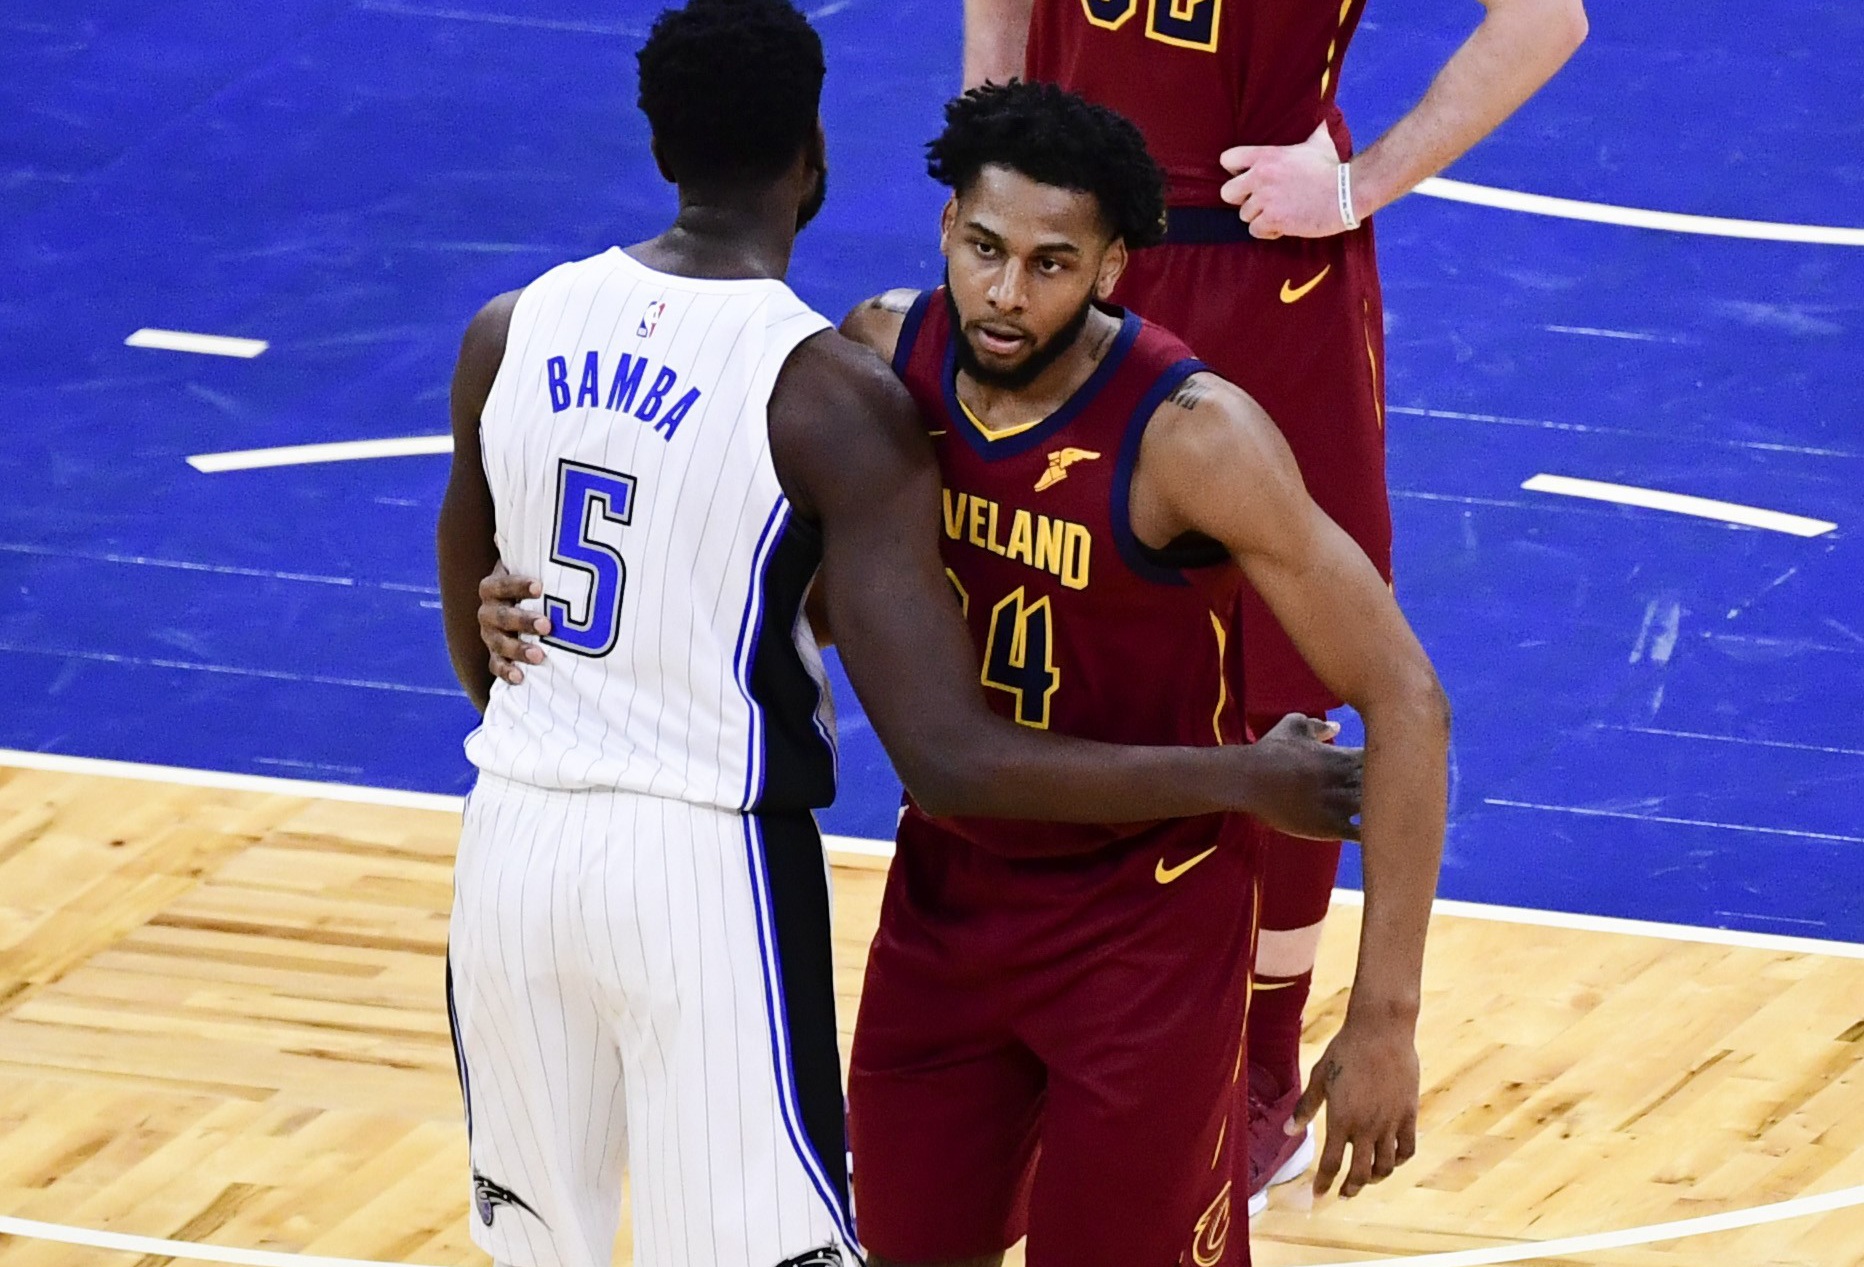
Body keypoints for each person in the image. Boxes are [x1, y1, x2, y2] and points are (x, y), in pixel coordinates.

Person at [436, 5, 1360, 1267]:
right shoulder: (828, 390)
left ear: (656, 143)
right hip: (700, 867)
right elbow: (948, 754)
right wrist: (1246, 778)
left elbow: (479, 652)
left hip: (512, 843)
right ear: (814, 155)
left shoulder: (508, 327)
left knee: (538, 1252)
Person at [963, 0, 1586, 1210]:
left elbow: (1542, 20)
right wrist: (991, 147)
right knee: (1045, 639)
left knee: (1286, 686)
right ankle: (1043, 1033)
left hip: (1262, 271)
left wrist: (1357, 184)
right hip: (1073, 259)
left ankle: (1256, 1067)